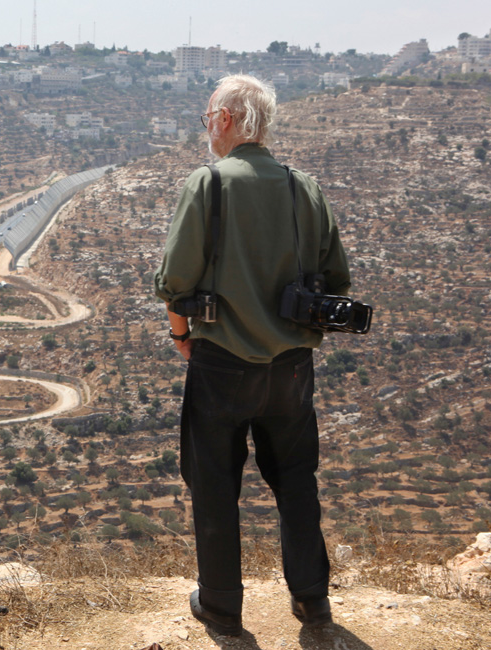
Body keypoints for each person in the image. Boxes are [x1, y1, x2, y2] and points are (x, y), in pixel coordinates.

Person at [153, 74, 352, 637]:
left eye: (206, 120)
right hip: (291, 369)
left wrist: (179, 337)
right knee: (296, 478)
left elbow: (174, 280)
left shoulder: (209, 184)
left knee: (215, 481)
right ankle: (313, 602)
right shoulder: (303, 187)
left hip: (220, 364)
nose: (206, 130)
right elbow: (336, 278)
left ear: (223, 119)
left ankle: (221, 605)